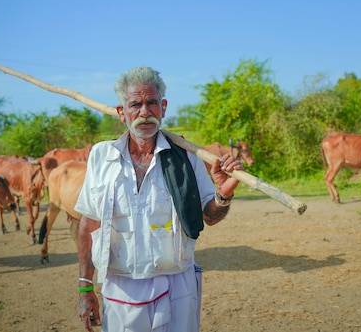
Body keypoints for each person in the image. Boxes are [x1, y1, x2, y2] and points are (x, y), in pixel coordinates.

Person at [75, 66, 242, 332]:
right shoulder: (101, 157)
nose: (144, 112)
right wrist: (85, 287)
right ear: (122, 113)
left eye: (152, 103)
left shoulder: (187, 156)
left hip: (177, 284)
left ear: (162, 107)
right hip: (121, 289)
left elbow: (208, 217)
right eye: (135, 104)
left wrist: (223, 194)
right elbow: (88, 223)